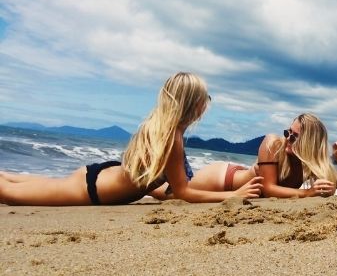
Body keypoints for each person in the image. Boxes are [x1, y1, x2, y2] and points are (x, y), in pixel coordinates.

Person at [0, 72, 261, 206]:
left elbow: (153, 183)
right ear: (195, 105)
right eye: (206, 99)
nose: (207, 105)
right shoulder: (171, 137)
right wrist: (232, 195)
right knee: (9, 194)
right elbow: (183, 191)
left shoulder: (161, 128)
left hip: (99, 177)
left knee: (13, 182)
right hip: (94, 191)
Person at [160, 113, 337, 199]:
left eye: (295, 137)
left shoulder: (311, 165)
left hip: (234, 185)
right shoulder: (272, 143)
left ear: (309, 144)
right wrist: (307, 193)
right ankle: (139, 173)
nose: (288, 138)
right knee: (167, 195)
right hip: (223, 180)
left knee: (167, 191)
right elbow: (268, 188)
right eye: (288, 133)